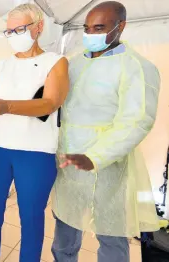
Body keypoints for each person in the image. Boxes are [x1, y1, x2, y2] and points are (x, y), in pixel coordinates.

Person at [50, 2, 161, 262]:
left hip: (107, 167)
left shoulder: (136, 67)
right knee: (65, 229)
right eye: (87, 28)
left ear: (119, 26)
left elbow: (137, 121)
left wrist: (95, 157)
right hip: (68, 163)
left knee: (111, 237)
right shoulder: (74, 63)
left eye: (99, 27)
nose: (91, 33)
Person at [0, 3, 69, 261]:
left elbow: (50, 102)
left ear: (39, 27)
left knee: (31, 218)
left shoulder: (55, 62)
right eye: (9, 32)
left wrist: (6, 106)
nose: (13, 36)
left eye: (19, 29)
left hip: (35, 151)